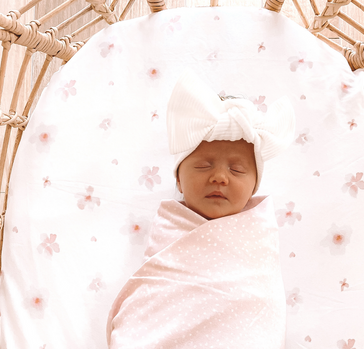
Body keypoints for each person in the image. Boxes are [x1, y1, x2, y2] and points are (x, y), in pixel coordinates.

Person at [106, 70, 295, 348]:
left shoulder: (258, 234)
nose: (219, 177)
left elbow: (260, 301)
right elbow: (156, 295)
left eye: (237, 169)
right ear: (179, 180)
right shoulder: (169, 228)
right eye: (203, 165)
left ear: (254, 187)